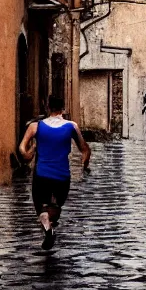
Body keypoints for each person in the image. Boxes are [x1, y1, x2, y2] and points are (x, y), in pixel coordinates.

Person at [19, 95, 91, 250]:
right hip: (62, 175)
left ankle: (48, 229)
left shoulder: (36, 126)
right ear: (63, 109)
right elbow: (84, 149)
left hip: (42, 174)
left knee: (41, 206)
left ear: (47, 108)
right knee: (56, 205)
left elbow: (22, 148)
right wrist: (84, 165)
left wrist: (30, 152)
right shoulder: (72, 126)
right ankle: (50, 223)